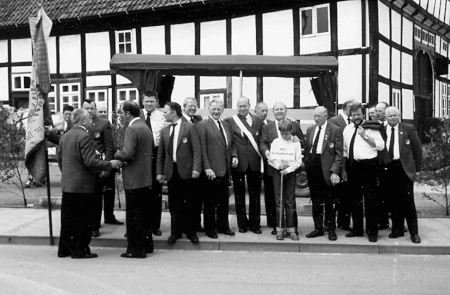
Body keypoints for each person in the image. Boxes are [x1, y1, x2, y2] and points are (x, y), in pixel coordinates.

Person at [57, 108, 123, 259]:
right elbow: (90, 161)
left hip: (68, 184)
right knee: (83, 219)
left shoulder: (65, 136)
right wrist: (109, 164)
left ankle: (64, 249)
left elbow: (61, 160)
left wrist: (68, 174)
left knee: (67, 219)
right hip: (83, 185)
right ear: (83, 120)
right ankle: (80, 249)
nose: (90, 120)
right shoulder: (85, 137)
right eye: (87, 118)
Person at [157, 102, 201, 244]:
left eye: (165, 112)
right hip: (171, 172)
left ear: (174, 112)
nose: (164, 114)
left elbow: (196, 150)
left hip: (187, 172)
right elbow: (161, 154)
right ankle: (175, 233)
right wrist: (159, 172)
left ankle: (191, 232)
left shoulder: (189, 127)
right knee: (174, 204)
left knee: (189, 203)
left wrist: (196, 168)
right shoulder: (165, 130)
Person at [114, 101, 154, 258]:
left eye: (121, 113)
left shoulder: (131, 129)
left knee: (133, 216)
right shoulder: (145, 127)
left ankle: (135, 249)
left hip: (134, 178)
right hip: (145, 177)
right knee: (144, 215)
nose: (121, 116)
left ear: (127, 113)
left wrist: (117, 154)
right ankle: (146, 245)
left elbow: (128, 154)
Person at [260, 102, 305, 234]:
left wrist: (298, 141)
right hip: (275, 167)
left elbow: (302, 141)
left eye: (281, 109)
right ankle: (278, 226)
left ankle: (292, 227)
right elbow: (263, 143)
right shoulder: (267, 126)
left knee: (290, 200)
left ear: (286, 111)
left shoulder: (294, 124)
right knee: (276, 199)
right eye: (276, 109)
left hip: (290, 168)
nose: (279, 111)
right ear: (273, 111)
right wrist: (267, 153)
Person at [342, 103, 385, 242]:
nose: (355, 117)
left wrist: (365, 136)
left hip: (369, 166)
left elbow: (380, 145)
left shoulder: (371, 128)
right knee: (355, 200)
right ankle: (357, 229)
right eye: (353, 115)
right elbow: (344, 150)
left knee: (371, 200)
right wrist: (344, 169)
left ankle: (372, 232)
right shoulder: (347, 129)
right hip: (353, 166)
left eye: (358, 114)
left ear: (363, 114)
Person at [197, 98, 237, 239]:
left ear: (222, 110)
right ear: (209, 109)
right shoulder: (202, 125)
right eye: (213, 109)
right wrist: (207, 167)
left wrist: (234, 155)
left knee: (223, 202)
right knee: (209, 202)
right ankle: (210, 229)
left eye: (218, 109)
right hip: (211, 171)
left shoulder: (226, 125)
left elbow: (231, 145)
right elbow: (202, 149)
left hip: (225, 170)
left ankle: (223, 226)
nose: (216, 111)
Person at [82, 99, 122, 239]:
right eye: (86, 108)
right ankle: (91, 223)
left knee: (104, 194)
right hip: (87, 167)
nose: (89, 111)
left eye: (91, 108)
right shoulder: (79, 123)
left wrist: (107, 165)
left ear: (96, 109)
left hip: (101, 164)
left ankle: (100, 223)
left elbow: (109, 146)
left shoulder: (103, 124)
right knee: (92, 197)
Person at [224, 97, 264, 234]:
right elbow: (231, 142)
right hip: (239, 162)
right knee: (239, 195)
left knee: (255, 195)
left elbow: (262, 140)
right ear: (237, 106)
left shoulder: (259, 120)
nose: (242, 109)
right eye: (240, 106)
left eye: (244, 106)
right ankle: (242, 224)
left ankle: (255, 224)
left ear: (249, 106)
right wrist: (234, 156)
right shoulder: (230, 121)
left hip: (254, 162)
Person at [384, 106, 422, 244]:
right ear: (386, 117)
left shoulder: (408, 128)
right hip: (389, 168)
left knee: (408, 202)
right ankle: (397, 229)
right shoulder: (383, 130)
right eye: (390, 116)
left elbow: (417, 150)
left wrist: (417, 169)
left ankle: (414, 233)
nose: (393, 118)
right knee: (394, 201)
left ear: (399, 115)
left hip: (404, 168)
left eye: (395, 115)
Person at [304, 106, 343, 241]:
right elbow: (308, 148)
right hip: (313, 169)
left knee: (329, 201)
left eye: (318, 116)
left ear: (326, 115)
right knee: (316, 200)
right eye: (314, 116)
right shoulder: (310, 129)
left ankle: (331, 229)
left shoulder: (335, 130)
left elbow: (339, 154)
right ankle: (318, 228)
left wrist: (335, 171)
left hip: (327, 170)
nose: (316, 119)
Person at [266, 120, 302, 241]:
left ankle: (292, 229)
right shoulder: (276, 142)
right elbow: (271, 159)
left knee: (290, 201)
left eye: (286, 133)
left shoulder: (296, 143)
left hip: (290, 173)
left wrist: (288, 169)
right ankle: (280, 229)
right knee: (279, 201)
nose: (284, 136)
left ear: (290, 131)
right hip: (278, 172)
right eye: (282, 133)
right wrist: (278, 166)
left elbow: (298, 161)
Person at [139, 90, 168, 237]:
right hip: (139, 157)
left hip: (156, 155)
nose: (149, 104)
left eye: (152, 101)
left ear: (157, 102)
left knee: (155, 193)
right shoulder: (137, 115)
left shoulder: (162, 117)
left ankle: (154, 226)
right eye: (146, 101)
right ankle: (138, 226)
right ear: (142, 101)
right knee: (140, 194)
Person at [328, 99, 355, 232]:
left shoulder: (354, 121)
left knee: (348, 194)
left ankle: (344, 222)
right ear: (349, 107)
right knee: (335, 194)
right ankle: (330, 223)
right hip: (338, 163)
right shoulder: (334, 121)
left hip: (350, 163)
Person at [181, 97, 204, 233]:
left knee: (196, 198)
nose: (193, 108)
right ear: (184, 107)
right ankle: (185, 225)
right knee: (185, 199)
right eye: (190, 106)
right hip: (184, 167)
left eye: (195, 106)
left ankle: (196, 224)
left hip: (197, 165)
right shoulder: (180, 122)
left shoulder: (198, 120)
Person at [254, 102, 277, 234]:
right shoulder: (253, 124)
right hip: (255, 164)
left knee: (270, 194)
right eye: (261, 111)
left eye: (266, 111)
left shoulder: (271, 124)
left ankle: (272, 221)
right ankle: (256, 223)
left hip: (269, 164)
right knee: (256, 194)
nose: (264, 113)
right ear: (255, 111)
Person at [375, 101, 390, 230]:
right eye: (377, 111)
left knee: (394, 194)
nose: (377, 113)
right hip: (379, 164)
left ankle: (399, 223)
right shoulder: (375, 127)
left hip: (392, 163)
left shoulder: (391, 126)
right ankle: (382, 221)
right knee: (380, 194)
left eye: (380, 111)